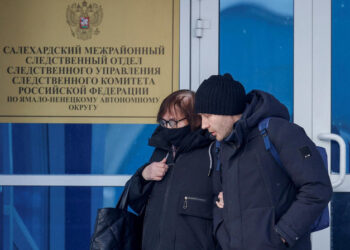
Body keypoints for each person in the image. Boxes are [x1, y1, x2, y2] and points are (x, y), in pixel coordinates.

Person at [194, 73, 333, 250]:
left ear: (228, 110)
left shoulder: (277, 132)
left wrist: (283, 235)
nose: (203, 125)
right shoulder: (220, 147)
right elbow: (218, 197)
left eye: (207, 115)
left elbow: (317, 188)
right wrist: (223, 233)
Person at [126, 89, 217, 250]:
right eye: (164, 122)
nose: (168, 128)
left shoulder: (213, 152)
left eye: (174, 122)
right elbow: (135, 202)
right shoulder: (162, 150)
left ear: (194, 119)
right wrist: (144, 175)